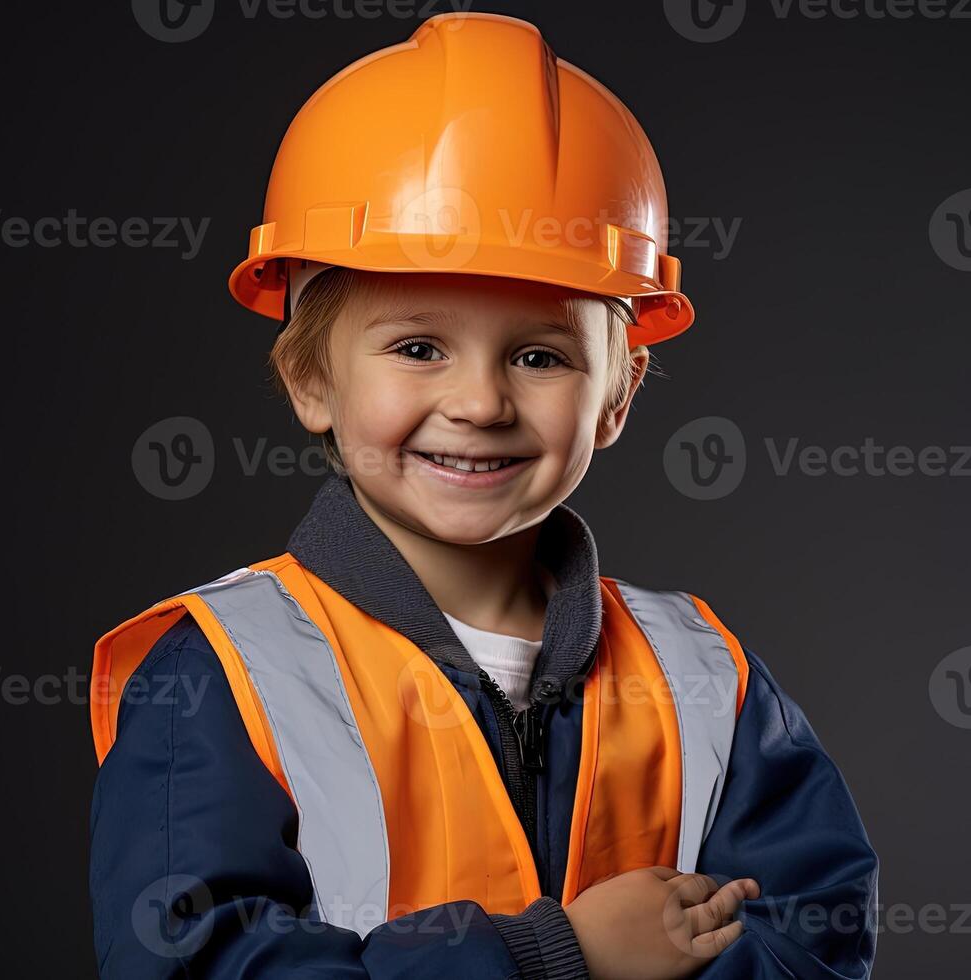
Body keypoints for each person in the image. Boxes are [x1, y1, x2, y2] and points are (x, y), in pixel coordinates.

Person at [88, 12, 877, 979]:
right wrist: (558, 958)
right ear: (311, 380)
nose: (480, 402)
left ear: (618, 396)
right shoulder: (224, 674)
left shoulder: (704, 677)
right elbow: (193, 963)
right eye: (419, 348)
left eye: (540, 356)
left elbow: (817, 940)